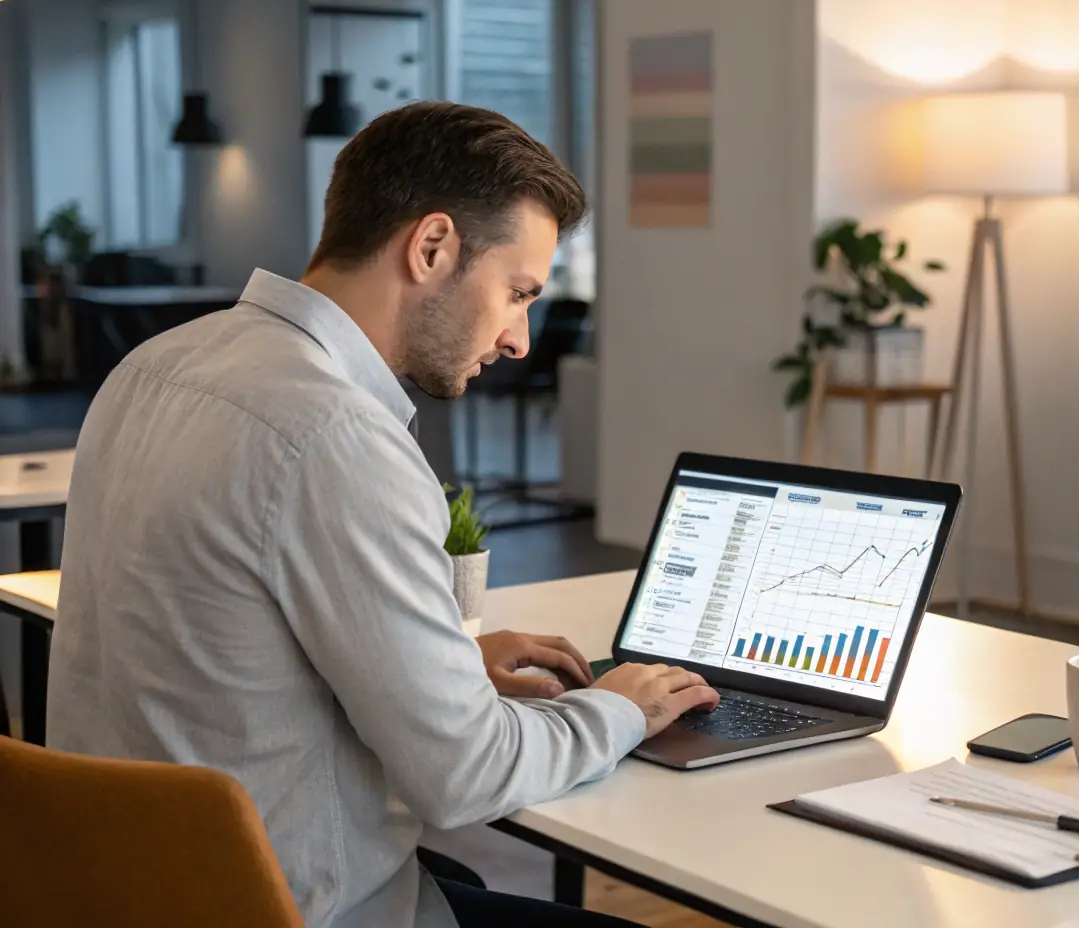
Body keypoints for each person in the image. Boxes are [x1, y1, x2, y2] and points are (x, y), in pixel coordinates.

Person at [46, 102, 720, 928]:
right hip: (286, 905)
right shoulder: (334, 435)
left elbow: (217, 648)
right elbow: (467, 777)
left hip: (125, 889)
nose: (520, 339)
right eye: (516, 292)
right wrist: (622, 706)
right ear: (431, 247)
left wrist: (441, 662)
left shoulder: (153, 366)